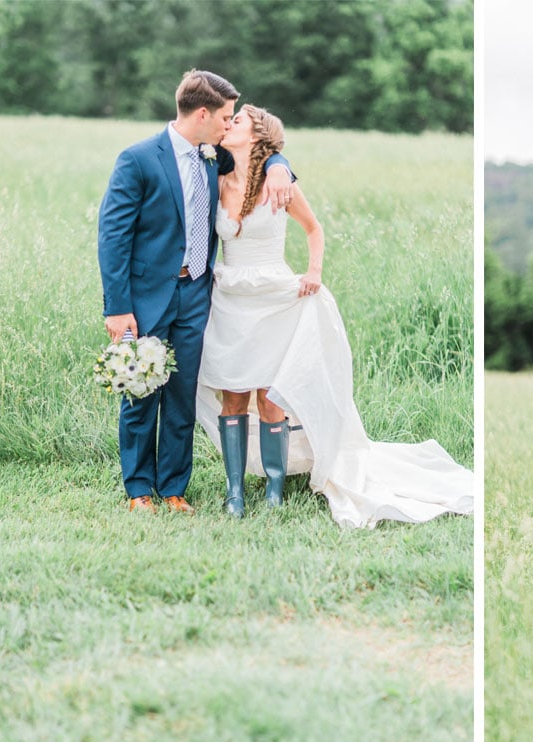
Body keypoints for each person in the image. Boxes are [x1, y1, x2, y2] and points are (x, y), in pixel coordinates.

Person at [194, 105, 473, 527]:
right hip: (231, 297)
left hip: (274, 297)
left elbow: (314, 229)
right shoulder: (216, 179)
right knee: (233, 393)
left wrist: (314, 273)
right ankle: (234, 491)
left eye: (237, 121)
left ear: (257, 135)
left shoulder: (279, 182)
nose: (227, 123)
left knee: (270, 398)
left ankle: (273, 490)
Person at [98, 70, 293, 515]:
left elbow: (261, 158)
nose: (230, 124)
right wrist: (118, 308)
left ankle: (173, 488)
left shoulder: (214, 156)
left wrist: (281, 165)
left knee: (183, 395)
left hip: (198, 295)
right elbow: (112, 237)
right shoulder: (139, 158)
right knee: (142, 391)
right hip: (145, 298)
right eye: (226, 116)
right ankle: (139, 490)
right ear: (202, 114)